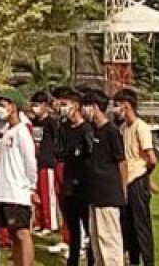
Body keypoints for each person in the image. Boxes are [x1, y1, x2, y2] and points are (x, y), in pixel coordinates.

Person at [0, 89, 38, 266]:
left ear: (13, 107)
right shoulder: (7, 131)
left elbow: (30, 162)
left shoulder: (22, 132)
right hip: (4, 190)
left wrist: (31, 187)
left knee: (22, 233)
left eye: (3, 105)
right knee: (13, 233)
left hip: (17, 191)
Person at [113, 89, 156, 266]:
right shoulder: (123, 128)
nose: (116, 110)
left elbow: (151, 159)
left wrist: (146, 176)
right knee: (127, 224)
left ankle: (148, 261)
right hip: (126, 181)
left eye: (118, 106)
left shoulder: (141, 127)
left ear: (127, 105)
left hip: (138, 180)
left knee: (141, 225)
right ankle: (133, 260)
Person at [84, 88, 127, 266]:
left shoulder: (111, 132)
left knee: (109, 238)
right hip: (95, 194)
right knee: (96, 239)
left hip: (108, 193)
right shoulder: (93, 131)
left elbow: (122, 162)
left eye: (86, 106)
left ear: (95, 107)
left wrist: (122, 190)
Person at [56, 89, 94, 266]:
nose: (61, 108)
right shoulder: (63, 127)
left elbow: (90, 156)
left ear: (76, 106)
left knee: (88, 225)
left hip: (84, 185)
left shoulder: (86, 129)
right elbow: (60, 152)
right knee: (72, 226)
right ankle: (73, 259)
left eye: (65, 104)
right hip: (69, 182)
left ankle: (92, 259)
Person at [30, 92, 61, 238]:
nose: (35, 108)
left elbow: (56, 140)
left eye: (37, 105)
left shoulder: (51, 122)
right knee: (37, 195)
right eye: (33, 105)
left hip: (47, 162)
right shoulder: (35, 122)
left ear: (45, 106)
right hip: (36, 162)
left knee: (47, 194)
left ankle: (50, 224)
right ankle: (39, 222)